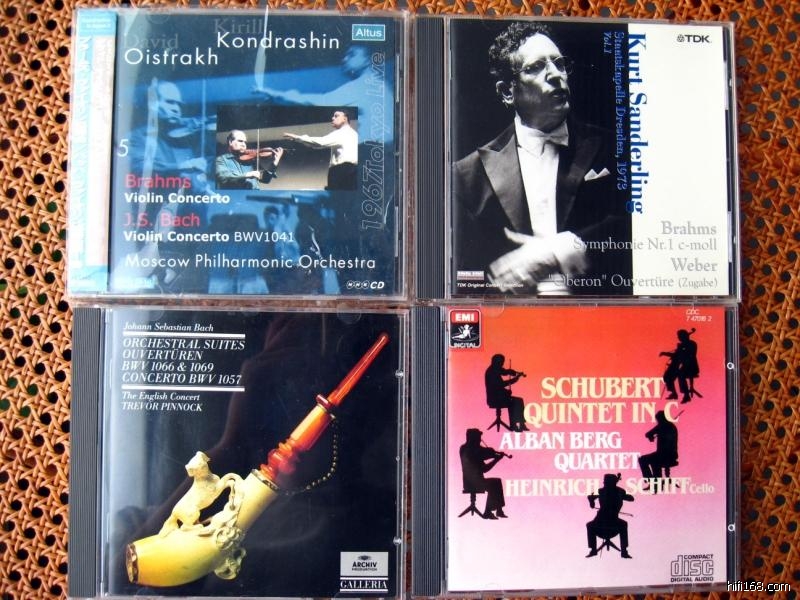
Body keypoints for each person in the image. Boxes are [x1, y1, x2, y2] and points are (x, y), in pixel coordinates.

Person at [452, 23, 629, 295]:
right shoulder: (466, 175)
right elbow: (464, 273)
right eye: (536, 67)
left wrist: (558, 251)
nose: (556, 74)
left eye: (559, 63)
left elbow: (635, 226)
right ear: (507, 92)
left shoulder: (616, 146)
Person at [113, 79, 212, 292]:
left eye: (179, 104)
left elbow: (191, 180)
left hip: (188, 233)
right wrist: (184, 165)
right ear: (153, 103)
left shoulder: (182, 142)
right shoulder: (137, 138)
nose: (177, 109)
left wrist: (204, 187)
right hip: (151, 231)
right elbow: (140, 166)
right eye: (170, 102)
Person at [253, 45, 374, 107]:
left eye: (352, 55)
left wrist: (274, 94)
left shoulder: (361, 87)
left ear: (368, 60)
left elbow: (321, 101)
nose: (344, 59)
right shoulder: (369, 85)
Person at [283, 110, 358, 190]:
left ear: (345, 119)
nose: (332, 118)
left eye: (336, 116)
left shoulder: (342, 133)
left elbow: (320, 143)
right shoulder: (354, 134)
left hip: (341, 171)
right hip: (353, 172)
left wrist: (297, 137)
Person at [459, 428, 508, 520]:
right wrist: (496, 459)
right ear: (473, 438)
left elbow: (484, 465)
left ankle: (498, 510)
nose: (480, 440)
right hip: (473, 483)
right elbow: (485, 467)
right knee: (494, 484)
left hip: (473, 481)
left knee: (496, 482)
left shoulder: (465, 449)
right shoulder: (471, 451)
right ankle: (488, 512)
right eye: (478, 438)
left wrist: (494, 457)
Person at [215, 130, 284, 190]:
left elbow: (265, 179)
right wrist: (247, 174)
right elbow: (223, 177)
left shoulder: (250, 160)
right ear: (230, 142)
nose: (244, 145)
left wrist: (275, 162)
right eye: (240, 141)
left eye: (245, 142)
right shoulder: (221, 160)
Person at [586, 473, 634, 558]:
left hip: (602, 520)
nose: (604, 484)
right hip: (607, 520)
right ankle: (624, 551)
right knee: (623, 525)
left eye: (606, 482)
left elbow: (631, 498)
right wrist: (591, 500)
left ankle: (593, 550)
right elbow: (631, 498)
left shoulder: (603, 491)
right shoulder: (613, 491)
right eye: (605, 482)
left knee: (590, 525)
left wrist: (591, 500)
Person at [485, 354, 527, 431]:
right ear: (497, 362)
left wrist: (513, 372)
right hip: (495, 399)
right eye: (501, 363)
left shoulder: (494, 369)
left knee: (518, 400)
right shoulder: (492, 372)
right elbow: (500, 385)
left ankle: (521, 424)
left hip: (498, 397)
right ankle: (514, 425)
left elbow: (504, 372)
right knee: (514, 402)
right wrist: (514, 380)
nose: (502, 365)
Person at [659, 328, 700, 403]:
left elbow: (688, 355)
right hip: (683, 366)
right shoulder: (682, 345)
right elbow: (676, 355)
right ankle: (674, 393)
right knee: (668, 375)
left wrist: (682, 348)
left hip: (691, 367)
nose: (678, 338)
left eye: (679, 336)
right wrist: (665, 353)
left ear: (684, 336)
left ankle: (686, 395)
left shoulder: (692, 344)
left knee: (681, 374)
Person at [638, 410, 679, 483]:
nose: (657, 422)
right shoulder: (670, 426)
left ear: (661, 418)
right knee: (654, 461)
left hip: (664, 455)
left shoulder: (662, 425)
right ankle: (656, 481)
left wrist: (651, 437)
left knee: (642, 459)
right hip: (672, 455)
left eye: (658, 420)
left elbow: (648, 434)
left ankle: (651, 481)